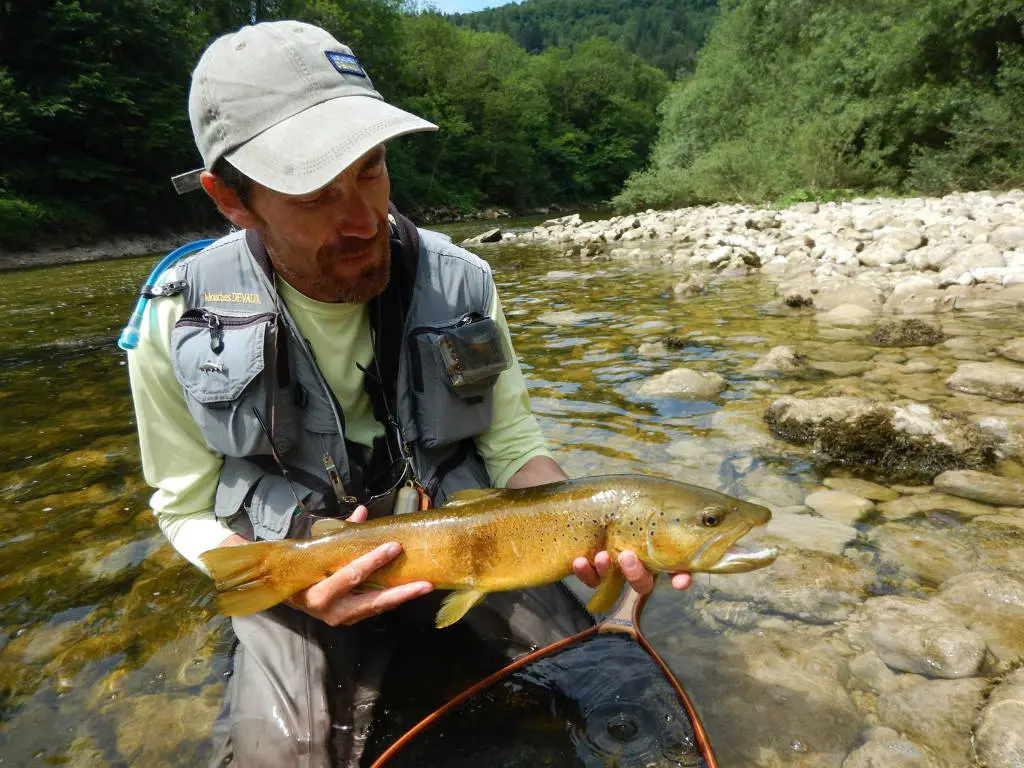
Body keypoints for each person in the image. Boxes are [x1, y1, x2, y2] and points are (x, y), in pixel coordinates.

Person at [126, 19, 692, 767]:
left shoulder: (464, 282)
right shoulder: (175, 317)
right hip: (303, 554)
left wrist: (581, 524)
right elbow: (184, 505)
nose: (363, 218)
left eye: (371, 168)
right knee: (283, 757)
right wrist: (284, 582)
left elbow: (515, 443)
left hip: (470, 536)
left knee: (610, 693)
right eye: (313, 192)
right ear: (232, 199)